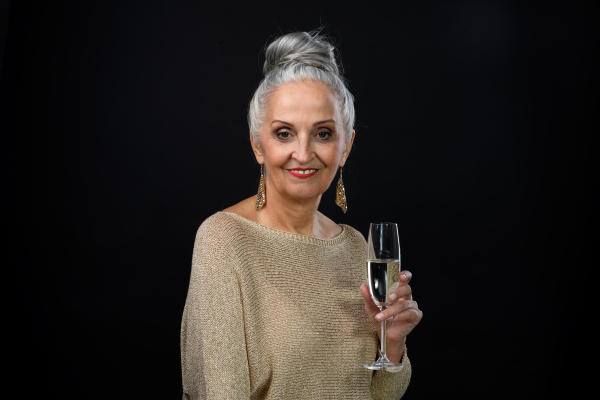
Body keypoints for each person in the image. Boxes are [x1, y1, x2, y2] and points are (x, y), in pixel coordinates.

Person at [181, 31, 423, 399]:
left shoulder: (359, 247)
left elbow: (377, 395)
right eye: (284, 134)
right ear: (257, 144)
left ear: (346, 147)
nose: (303, 152)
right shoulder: (224, 241)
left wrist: (392, 344)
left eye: (323, 133)